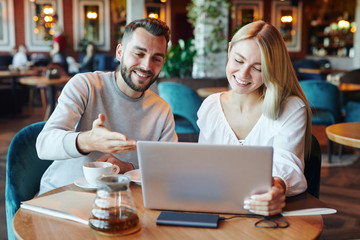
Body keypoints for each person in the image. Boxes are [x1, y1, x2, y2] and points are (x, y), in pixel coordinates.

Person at [36, 18, 178, 195]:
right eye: (139, 54)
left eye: (156, 58)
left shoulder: (162, 111)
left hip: (119, 203)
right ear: (120, 52)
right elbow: (44, 144)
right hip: (61, 197)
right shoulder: (85, 85)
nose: (146, 66)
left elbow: (167, 169)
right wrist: (89, 140)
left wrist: (127, 167)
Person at [197, 20, 312, 216]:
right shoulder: (210, 107)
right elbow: (204, 167)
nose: (243, 74)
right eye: (238, 61)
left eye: (258, 68)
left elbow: (286, 164)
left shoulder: (291, 108)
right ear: (229, 50)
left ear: (271, 70)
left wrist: (276, 187)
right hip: (218, 211)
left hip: (264, 215)